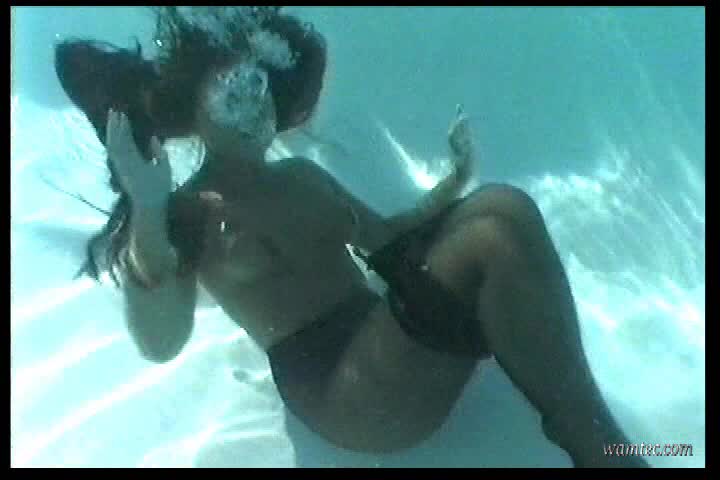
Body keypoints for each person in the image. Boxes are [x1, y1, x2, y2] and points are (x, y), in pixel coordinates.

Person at [54, 7, 648, 467]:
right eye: (234, 93)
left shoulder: (302, 177)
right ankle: (599, 445)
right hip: (347, 397)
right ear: (195, 109)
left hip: (385, 348)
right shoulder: (191, 212)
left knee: (501, 206)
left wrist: (455, 182)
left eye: (260, 89)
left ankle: (587, 428)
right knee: (493, 235)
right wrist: (149, 210)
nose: (254, 106)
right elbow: (160, 341)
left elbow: (386, 238)